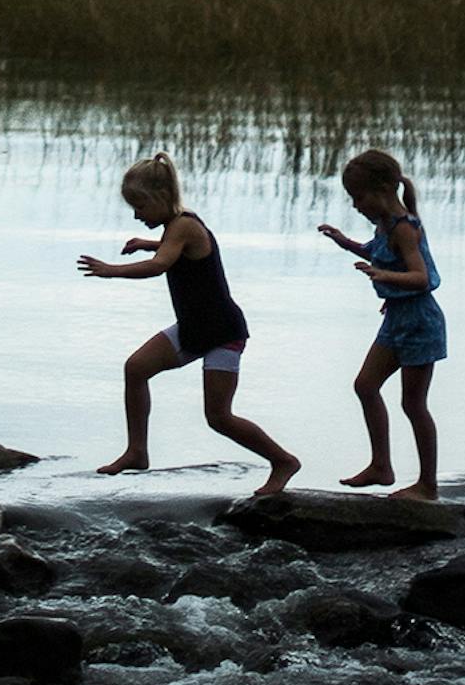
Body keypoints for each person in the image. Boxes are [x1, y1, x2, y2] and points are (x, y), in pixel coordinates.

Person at [78, 152, 302, 495]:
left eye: (140, 206)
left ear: (162, 198)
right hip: (194, 327)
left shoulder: (184, 224)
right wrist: (149, 243)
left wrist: (112, 271)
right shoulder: (175, 228)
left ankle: (283, 461)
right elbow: (173, 250)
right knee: (136, 368)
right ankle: (137, 451)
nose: (137, 215)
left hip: (223, 332)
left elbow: (161, 264)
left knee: (219, 417)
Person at [318, 149, 445, 500]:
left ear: (385, 190)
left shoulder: (405, 228)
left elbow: (421, 277)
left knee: (413, 403)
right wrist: (346, 243)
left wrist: (384, 275)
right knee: (365, 384)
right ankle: (381, 466)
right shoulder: (384, 226)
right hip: (396, 319)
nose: (356, 205)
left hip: (420, 322)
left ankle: (428, 486)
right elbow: (377, 253)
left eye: (360, 197)